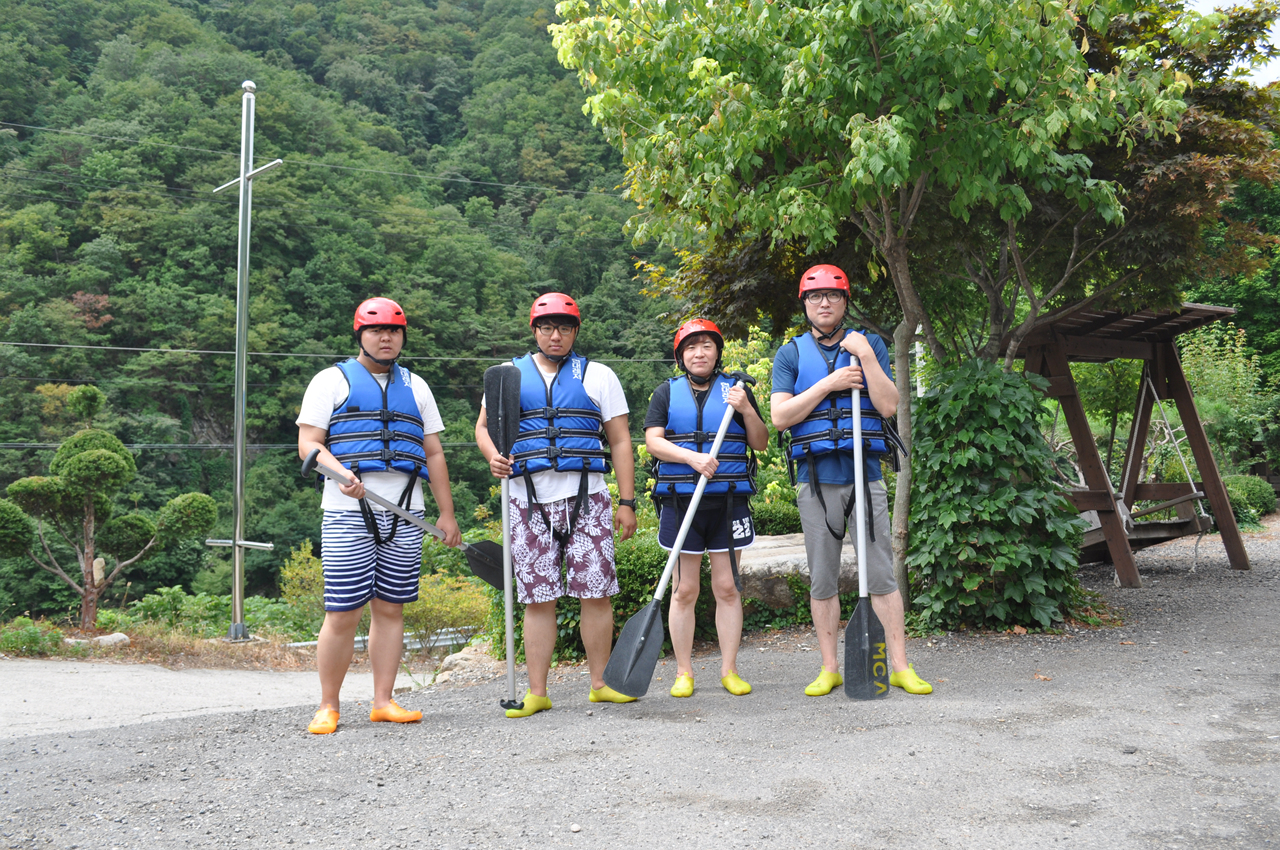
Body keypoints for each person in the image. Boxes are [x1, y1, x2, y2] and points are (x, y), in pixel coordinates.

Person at [297, 297, 462, 734]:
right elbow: (309, 444)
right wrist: (339, 473)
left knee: (391, 608)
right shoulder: (330, 381)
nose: (385, 337)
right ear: (361, 336)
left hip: (407, 511)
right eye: (376, 330)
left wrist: (447, 513)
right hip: (348, 509)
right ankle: (328, 705)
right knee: (343, 611)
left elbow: (433, 453)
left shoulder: (417, 387)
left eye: (393, 331)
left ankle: (384, 701)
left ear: (402, 337)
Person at [770, 265, 932, 697]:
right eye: (815, 296)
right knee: (823, 579)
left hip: (866, 476)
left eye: (833, 295)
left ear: (845, 301)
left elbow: (888, 405)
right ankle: (829, 668)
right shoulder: (790, 354)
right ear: (805, 304)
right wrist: (831, 383)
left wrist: (865, 356)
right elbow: (781, 417)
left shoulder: (869, 343)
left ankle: (899, 665)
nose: (824, 302)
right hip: (815, 480)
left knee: (881, 576)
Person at [475, 292, 639, 718]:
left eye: (564, 328)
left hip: (589, 498)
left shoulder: (599, 375)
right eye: (547, 327)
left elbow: (620, 440)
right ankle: (537, 692)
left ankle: (600, 684)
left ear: (575, 332)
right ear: (535, 330)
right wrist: (492, 455)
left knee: (596, 593)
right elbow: (483, 428)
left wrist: (627, 501)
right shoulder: (507, 375)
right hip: (526, 499)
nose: (555, 335)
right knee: (538, 599)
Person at [644, 319, 769, 698]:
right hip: (681, 502)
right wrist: (692, 458)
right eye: (691, 347)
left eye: (706, 346)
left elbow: (760, 442)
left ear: (717, 352)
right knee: (684, 590)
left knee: (728, 588)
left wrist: (747, 409)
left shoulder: (738, 391)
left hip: (728, 502)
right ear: (681, 356)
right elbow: (653, 442)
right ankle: (684, 672)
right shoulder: (665, 393)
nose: (699, 353)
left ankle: (729, 669)